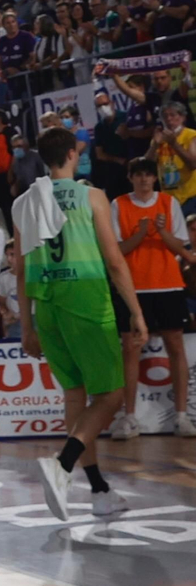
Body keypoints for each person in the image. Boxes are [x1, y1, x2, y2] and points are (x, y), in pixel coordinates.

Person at [17, 126, 147, 523]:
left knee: (75, 394)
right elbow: (113, 259)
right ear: (73, 154)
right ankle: (63, 464)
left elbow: (20, 271)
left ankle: (99, 491)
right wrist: (136, 312)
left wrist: (26, 327)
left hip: (47, 306)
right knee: (110, 395)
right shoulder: (91, 196)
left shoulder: (24, 201)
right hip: (86, 299)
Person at [109, 158, 196, 439]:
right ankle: (130, 418)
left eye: (148, 175)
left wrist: (160, 232)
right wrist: (141, 234)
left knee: (176, 347)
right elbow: (117, 250)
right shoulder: (118, 204)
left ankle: (182, 417)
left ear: (155, 178)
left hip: (168, 285)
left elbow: (180, 247)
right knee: (131, 350)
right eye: (139, 175)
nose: (145, 180)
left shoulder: (169, 204)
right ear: (130, 177)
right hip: (132, 288)